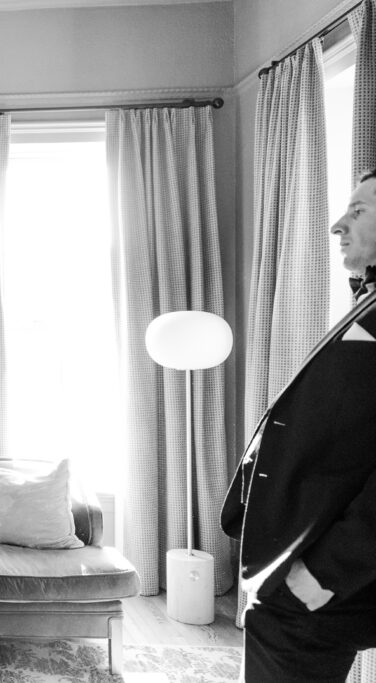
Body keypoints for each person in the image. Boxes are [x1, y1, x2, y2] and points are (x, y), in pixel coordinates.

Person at [221, 169, 376, 682]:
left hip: (327, 582)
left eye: (358, 211)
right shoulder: (368, 303)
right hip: (298, 561)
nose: (337, 225)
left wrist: (321, 575)